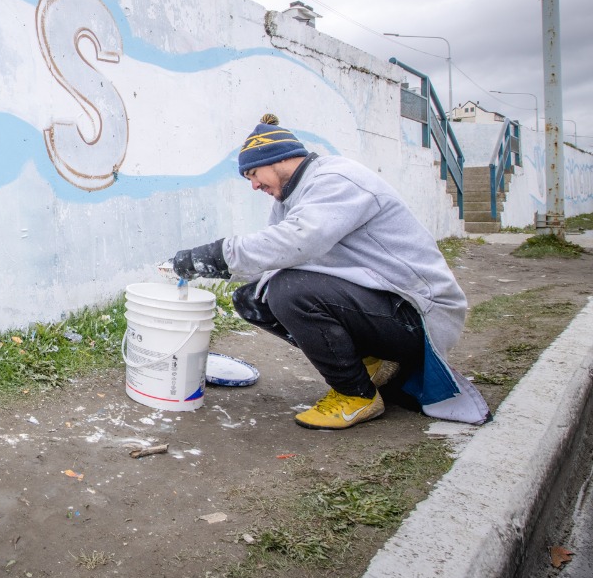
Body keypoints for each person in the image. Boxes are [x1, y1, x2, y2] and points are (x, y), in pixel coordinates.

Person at [164, 114, 490, 430]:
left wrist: (213, 255)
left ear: (277, 157)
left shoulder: (336, 180)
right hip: (385, 305)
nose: (253, 185)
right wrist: (214, 269)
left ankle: (356, 394)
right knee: (254, 298)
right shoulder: (291, 198)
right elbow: (275, 260)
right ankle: (368, 361)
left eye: (252, 173)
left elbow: (296, 242)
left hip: (419, 314)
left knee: (288, 291)